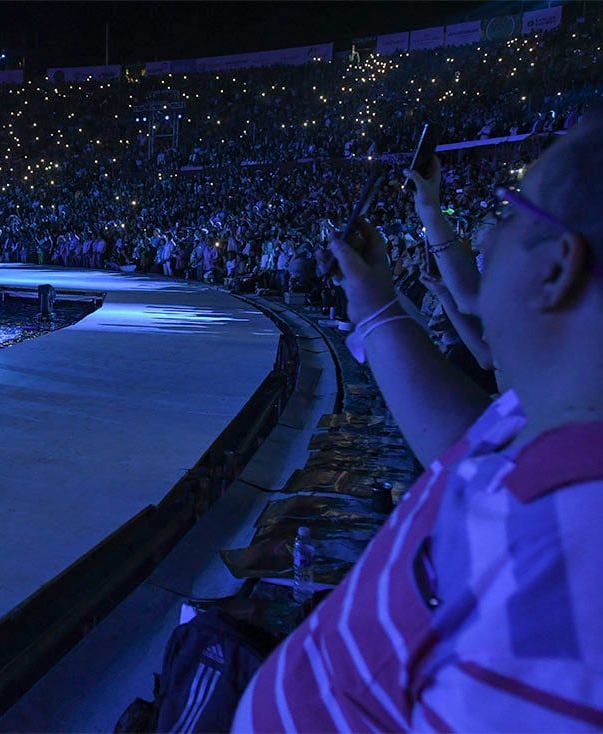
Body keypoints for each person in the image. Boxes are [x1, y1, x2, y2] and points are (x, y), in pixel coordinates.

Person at [233, 119, 603, 730]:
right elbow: (465, 447)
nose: (484, 235)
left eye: (508, 216)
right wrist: (373, 301)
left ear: (557, 268)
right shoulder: (548, 418)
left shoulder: (573, 579)